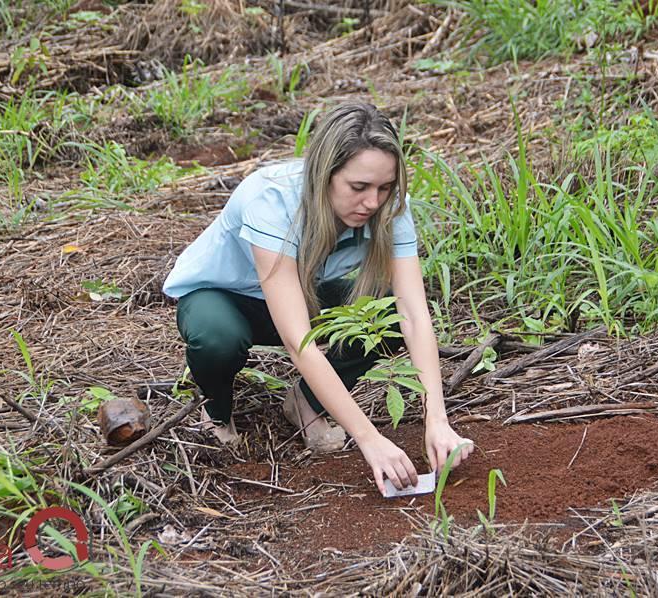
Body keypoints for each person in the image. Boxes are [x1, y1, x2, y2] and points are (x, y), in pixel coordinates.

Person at [163, 102, 473, 495]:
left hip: (303, 292)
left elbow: (413, 312)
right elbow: (298, 340)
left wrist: (437, 419)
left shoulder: (390, 209)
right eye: (358, 187)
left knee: (389, 311)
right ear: (324, 175)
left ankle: (306, 402)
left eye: (385, 187)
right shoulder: (272, 199)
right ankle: (216, 412)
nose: (373, 202)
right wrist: (370, 438)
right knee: (216, 337)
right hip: (227, 298)